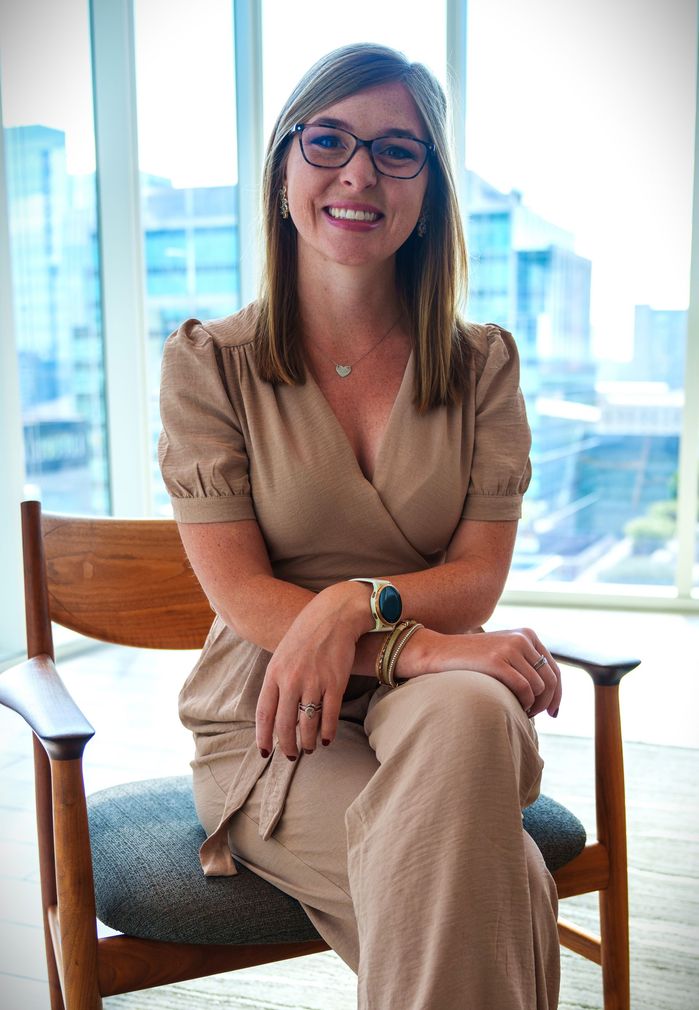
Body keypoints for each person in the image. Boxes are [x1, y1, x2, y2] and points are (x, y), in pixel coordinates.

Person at [158, 42, 562, 1010]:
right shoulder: (210, 364)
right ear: (285, 168)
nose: (359, 173)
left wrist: (357, 605)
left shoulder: (482, 366)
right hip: (272, 720)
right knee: (504, 889)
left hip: (433, 702)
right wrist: (413, 645)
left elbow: (476, 573)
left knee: (467, 717)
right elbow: (242, 593)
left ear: (431, 188)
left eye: (397, 151)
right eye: (329, 139)